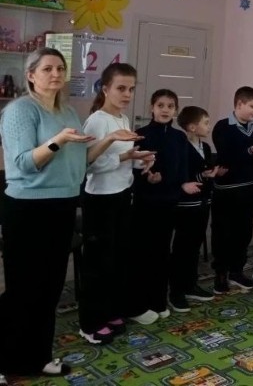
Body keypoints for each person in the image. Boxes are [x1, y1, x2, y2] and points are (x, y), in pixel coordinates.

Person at [0, 48, 93, 379]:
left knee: (49, 288)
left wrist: (112, 141)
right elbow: (24, 163)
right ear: (31, 75)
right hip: (28, 208)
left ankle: (37, 357)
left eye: (60, 68)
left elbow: (81, 160)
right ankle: (6, 360)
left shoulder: (68, 111)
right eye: (47, 68)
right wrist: (58, 141)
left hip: (62, 205)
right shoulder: (20, 110)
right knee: (23, 289)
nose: (56, 74)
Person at [79, 63, 156, 344]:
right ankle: (90, 322)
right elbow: (89, 165)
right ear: (105, 89)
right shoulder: (97, 121)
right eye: (121, 88)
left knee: (117, 259)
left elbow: (120, 159)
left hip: (122, 195)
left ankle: (110, 310)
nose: (127, 94)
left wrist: (139, 159)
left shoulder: (122, 119)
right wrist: (124, 157)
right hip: (100, 199)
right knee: (97, 263)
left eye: (131, 89)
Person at [129, 89, 201, 320]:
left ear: (176, 110)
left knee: (162, 252)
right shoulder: (140, 135)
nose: (165, 110)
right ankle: (141, 302)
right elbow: (132, 169)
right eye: (160, 105)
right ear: (152, 108)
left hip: (169, 202)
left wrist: (178, 182)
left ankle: (159, 300)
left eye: (170, 106)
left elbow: (182, 169)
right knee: (143, 253)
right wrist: (148, 178)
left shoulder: (179, 137)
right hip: (145, 202)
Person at [211, 86, 253, 293]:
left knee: (244, 231)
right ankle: (220, 273)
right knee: (223, 232)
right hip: (226, 190)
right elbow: (227, 154)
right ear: (239, 104)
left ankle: (236, 271)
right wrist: (250, 151)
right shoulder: (222, 126)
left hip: (249, 187)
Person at [169, 106, 219, 312]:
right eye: (205, 123)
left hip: (203, 202)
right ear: (192, 127)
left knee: (195, 245)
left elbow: (203, 171)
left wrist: (210, 175)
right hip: (186, 205)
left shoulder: (205, 147)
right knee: (182, 247)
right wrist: (201, 176)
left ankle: (190, 284)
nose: (208, 126)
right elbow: (181, 174)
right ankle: (176, 292)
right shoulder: (181, 146)